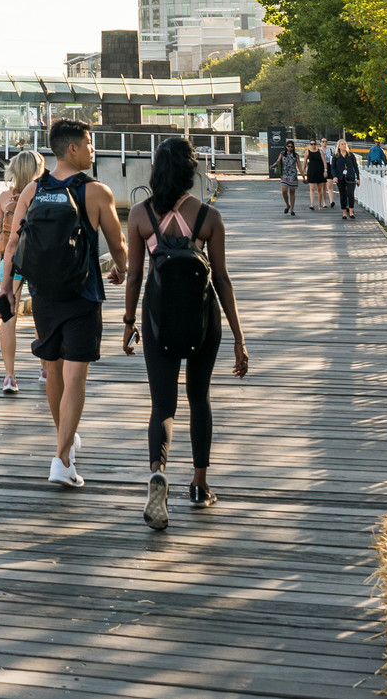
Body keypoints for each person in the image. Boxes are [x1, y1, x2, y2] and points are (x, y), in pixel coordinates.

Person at [122, 137, 248, 529]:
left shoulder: (140, 215)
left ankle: (158, 471)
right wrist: (239, 339)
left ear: (157, 172)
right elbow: (223, 280)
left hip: (158, 320)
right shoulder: (208, 217)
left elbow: (134, 276)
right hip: (203, 320)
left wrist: (128, 323)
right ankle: (199, 486)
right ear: (191, 171)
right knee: (199, 398)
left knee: (163, 405)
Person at [0, 118, 130, 487]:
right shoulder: (96, 192)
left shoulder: (32, 191)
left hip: (43, 296)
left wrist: (7, 288)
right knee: (75, 377)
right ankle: (61, 458)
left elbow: (12, 246)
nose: (93, 149)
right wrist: (123, 270)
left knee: (53, 369)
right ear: (72, 148)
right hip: (82, 295)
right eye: (89, 143)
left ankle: (65, 445)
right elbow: (118, 246)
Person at [0, 148, 43, 394]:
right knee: (42, 313)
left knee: (8, 319)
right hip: (37, 260)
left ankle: (10, 376)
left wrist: (3, 256)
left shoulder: (3, 197)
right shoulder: (42, 194)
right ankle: (45, 367)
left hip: (10, 261)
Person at [335, 139, 362, 220]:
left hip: (350, 177)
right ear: (339, 146)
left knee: (350, 194)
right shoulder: (336, 156)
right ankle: (344, 213)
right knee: (342, 195)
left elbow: (355, 167)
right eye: (342, 144)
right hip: (340, 178)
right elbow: (333, 168)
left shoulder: (350, 155)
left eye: (345, 144)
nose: (344, 145)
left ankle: (351, 212)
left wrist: (358, 178)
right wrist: (334, 176)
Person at [276, 137, 301, 217]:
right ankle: (287, 205)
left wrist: (303, 175)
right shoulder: (282, 153)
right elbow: (278, 161)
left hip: (293, 175)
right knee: (284, 191)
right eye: (288, 146)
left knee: (292, 192)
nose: (290, 148)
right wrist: (273, 166)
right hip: (284, 174)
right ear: (286, 146)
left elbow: (299, 166)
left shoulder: (296, 155)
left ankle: (292, 210)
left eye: (291, 146)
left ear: (293, 147)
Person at [303, 140, 329, 211]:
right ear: (310, 144)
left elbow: (324, 162)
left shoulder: (320, 151)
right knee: (311, 188)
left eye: (314, 144)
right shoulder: (307, 152)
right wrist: (303, 172)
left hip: (319, 171)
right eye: (311, 144)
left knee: (319, 189)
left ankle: (320, 205)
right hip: (311, 171)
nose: (313, 145)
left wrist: (325, 170)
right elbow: (304, 162)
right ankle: (312, 204)